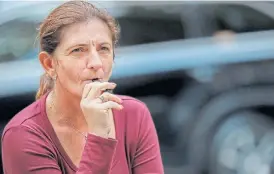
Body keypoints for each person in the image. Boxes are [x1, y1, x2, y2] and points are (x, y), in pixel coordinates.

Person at [1, 1, 164, 173]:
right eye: (78, 50)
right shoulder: (23, 134)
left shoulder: (134, 115)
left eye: (104, 49)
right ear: (49, 64)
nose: (96, 63)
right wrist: (100, 135)